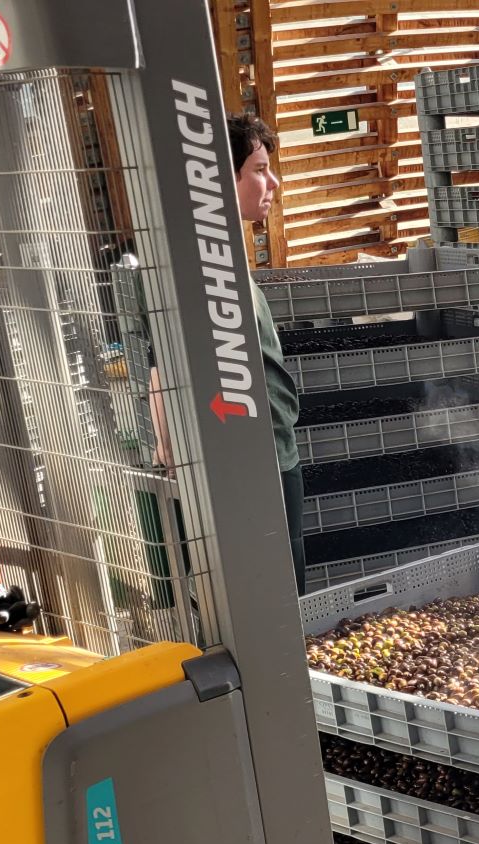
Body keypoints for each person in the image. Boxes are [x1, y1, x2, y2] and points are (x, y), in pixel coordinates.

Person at [149, 113, 303, 593]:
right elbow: (166, 361)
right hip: (246, 461)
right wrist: (169, 445)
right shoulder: (195, 264)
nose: (272, 181)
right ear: (221, 177)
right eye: (258, 169)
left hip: (273, 452)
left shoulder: (224, 255)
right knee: (270, 596)